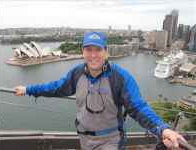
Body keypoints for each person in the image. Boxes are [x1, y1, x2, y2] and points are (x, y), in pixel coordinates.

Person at [15, 31, 187, 150]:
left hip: (110, 140)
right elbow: (56, 87)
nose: (93, 55)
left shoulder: (119, 77)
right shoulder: (76, 73)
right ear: (82, 52)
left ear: (106, 52)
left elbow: (137, 107)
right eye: (88, 50)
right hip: (84, 138)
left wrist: (163, 129)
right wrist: (29, 89)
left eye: (98, 50)